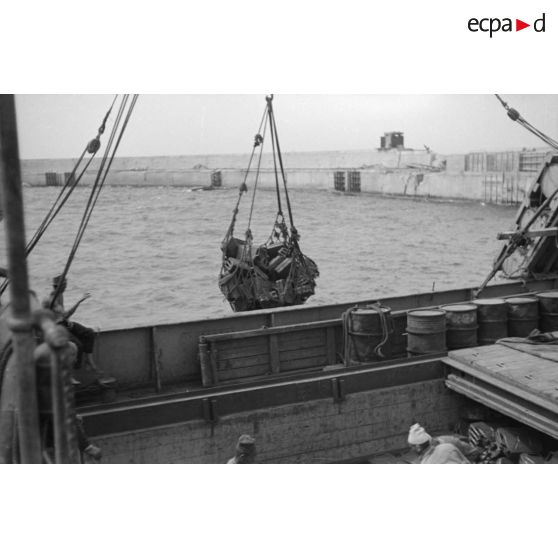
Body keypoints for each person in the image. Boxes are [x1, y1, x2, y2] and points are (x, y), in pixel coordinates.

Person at [42, 274, 100, 376]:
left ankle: (88, 360)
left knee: (89, 333)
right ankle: (70, 373)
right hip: (56, 327)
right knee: (77, 345)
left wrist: (66, 320)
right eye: (65, 284)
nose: (66, 286)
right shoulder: (51, 299)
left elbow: (64, 316)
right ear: (60, 286)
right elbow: (66, 314)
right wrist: (79, 301)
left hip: (63, 322)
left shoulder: (60, 295)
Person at [408, 423, 478, 464]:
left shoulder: (427, 463)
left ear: (418, 447)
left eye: (411, 447)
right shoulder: (448, 446)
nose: (411, 449)